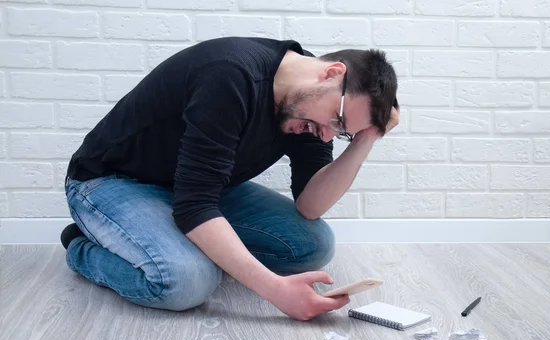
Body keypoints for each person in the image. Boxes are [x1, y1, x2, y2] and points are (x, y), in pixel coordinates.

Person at [60, 36, 399, 321]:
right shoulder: (229, 75)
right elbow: (194, 206)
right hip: (111, 182)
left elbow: (310, 206)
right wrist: (276, 291)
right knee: (187, 282)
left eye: (342, 133)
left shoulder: (310, 109)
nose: (327, 136)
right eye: (338, 120)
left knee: (314, 244)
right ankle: (82, 248)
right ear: (331, 73)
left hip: (190, 188)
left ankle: (172, 240)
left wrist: (365, 138)